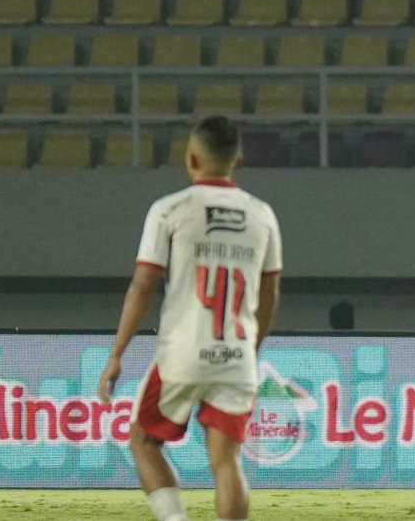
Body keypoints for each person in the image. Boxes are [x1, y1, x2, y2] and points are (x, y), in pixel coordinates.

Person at [97, 116, 283, 521]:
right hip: (236, 354)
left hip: (183, 351)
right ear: (238, 160)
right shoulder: (263, 215)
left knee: (143, 442)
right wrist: (251, 348)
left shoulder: (170, 210)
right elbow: (270, 295)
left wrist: (117, 353)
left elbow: (143, 286)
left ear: (191, 158)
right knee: (226, 461)